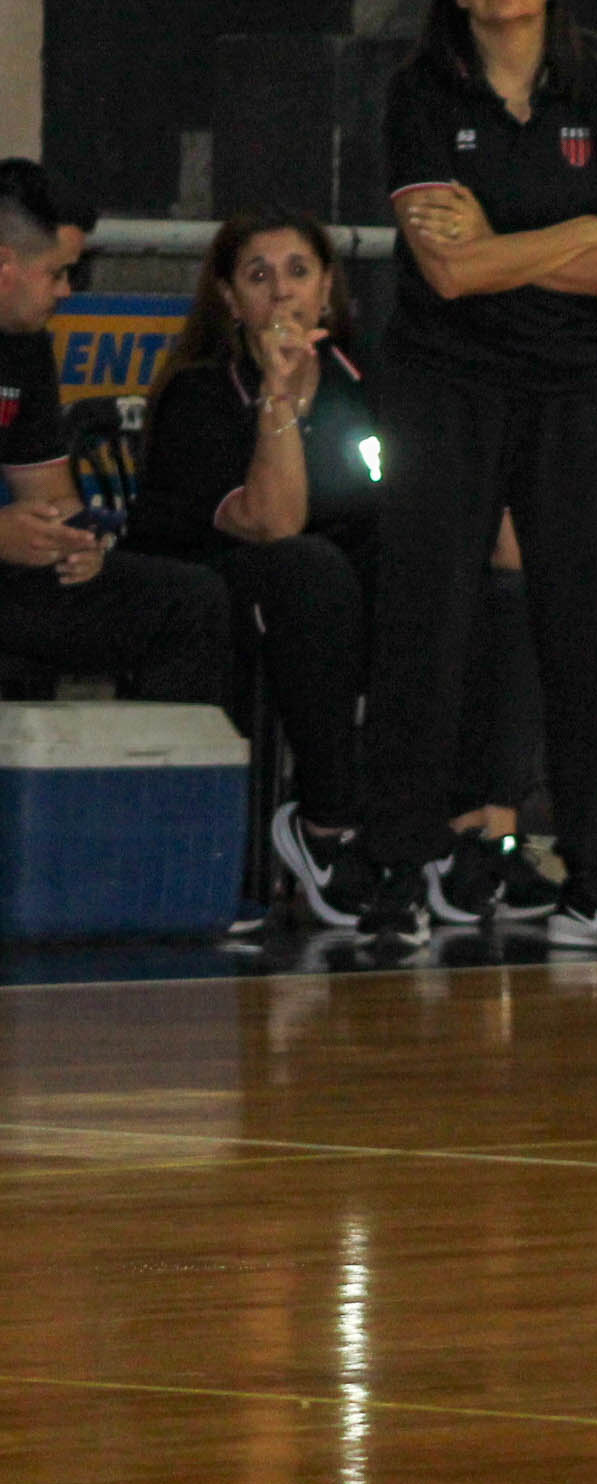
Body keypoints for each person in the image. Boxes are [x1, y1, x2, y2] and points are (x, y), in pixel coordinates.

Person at [359, 0, 597, 950]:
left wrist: (510, 238)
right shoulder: (418, 95)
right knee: (426, 623)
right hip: (445, 383)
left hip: (574, 388)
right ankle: (397, 865)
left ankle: (594, 878)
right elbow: (446, 273)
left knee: (583, 632)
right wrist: (574, 228)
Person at [127, 211, 395, 924]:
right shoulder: (201, 395)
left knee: (438, 577)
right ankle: (325, 826)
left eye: (299, 271)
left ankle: (450, 833)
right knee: (309, 568)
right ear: (229, 299)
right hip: (210, 592)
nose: (281, 293)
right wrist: (278, 395)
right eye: (258, 275)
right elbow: (273, 526)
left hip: (331, 596)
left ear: (328, 287)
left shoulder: (365, 378)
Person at [0, 161, 231, 712]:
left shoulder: (25, 344)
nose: (66, 293)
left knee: (189, 602)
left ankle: (152, 789)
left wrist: (77, 542)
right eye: (58, 274)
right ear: (4, 266)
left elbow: (49, 492)